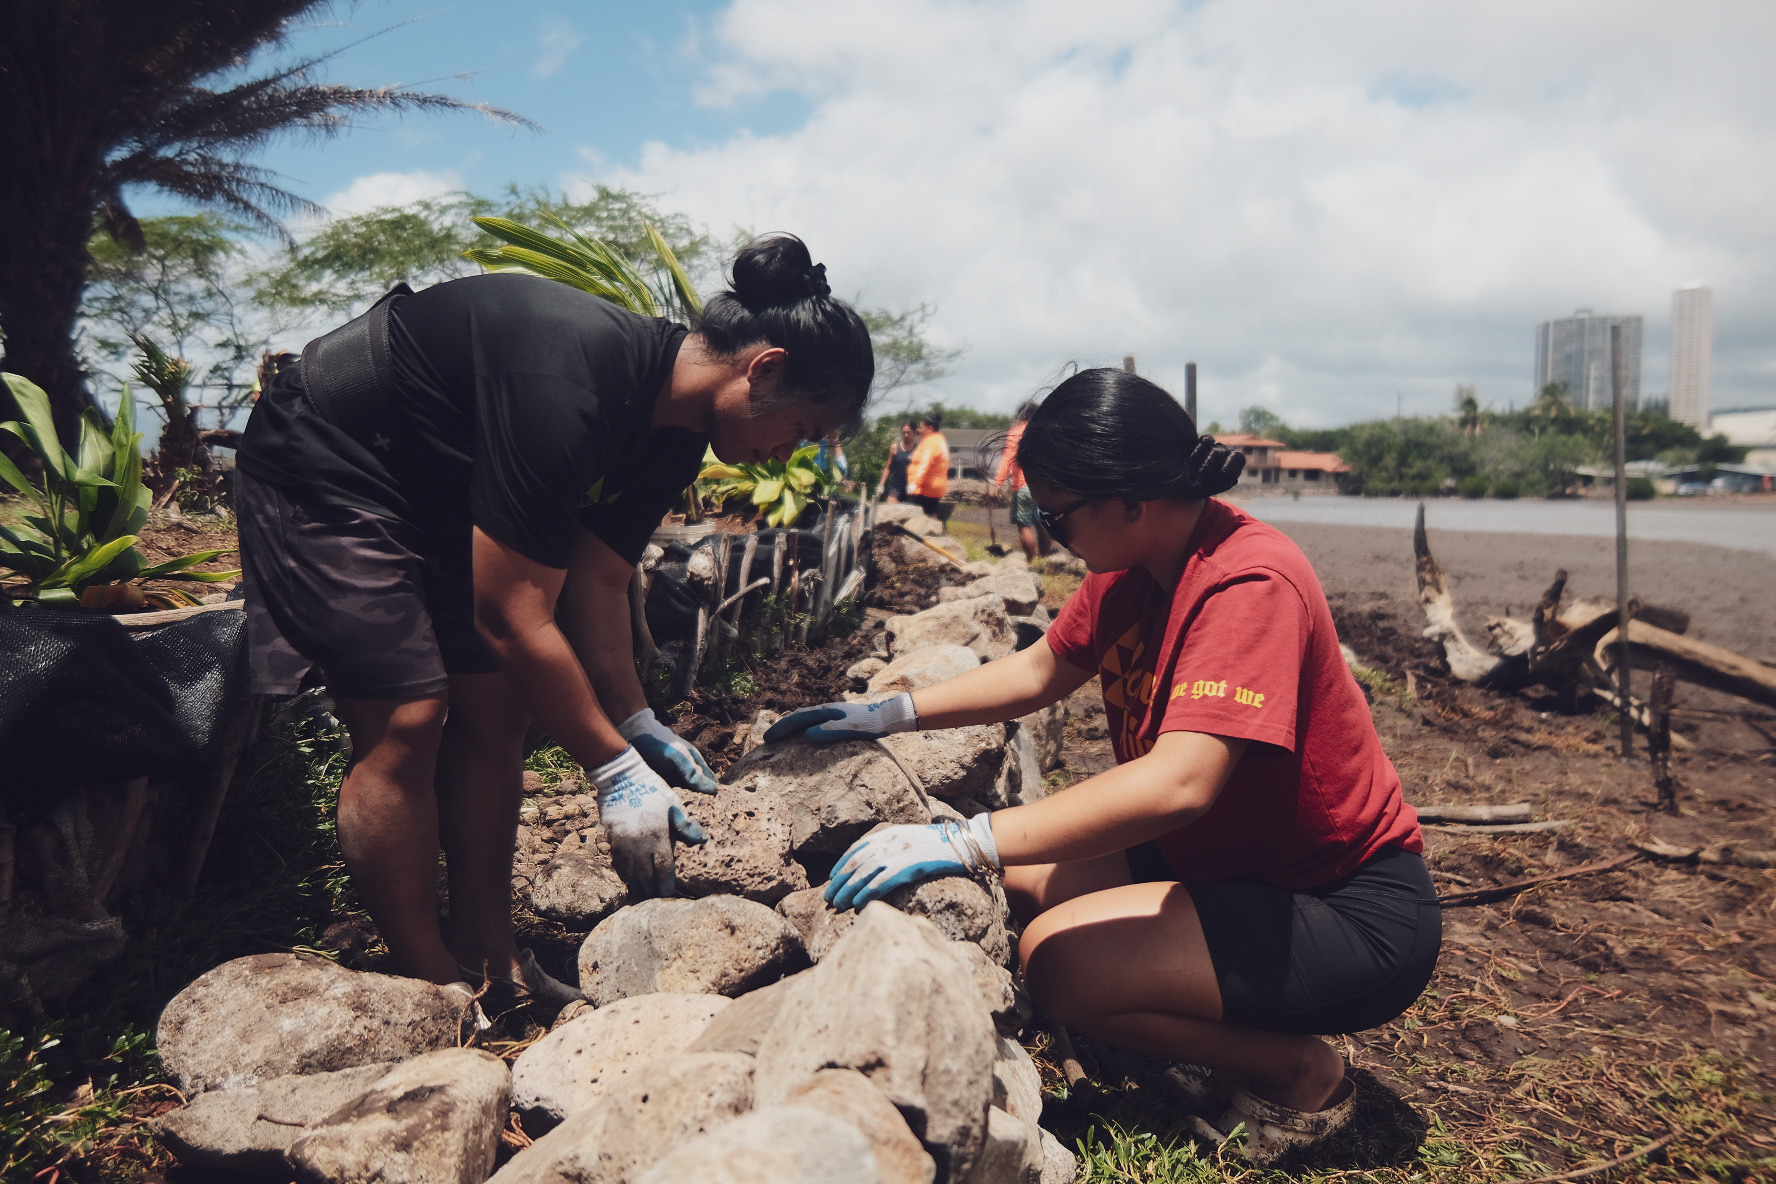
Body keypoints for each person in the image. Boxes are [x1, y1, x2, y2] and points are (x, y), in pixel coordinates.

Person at [766, 369, 1438, 1165]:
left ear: (1130, 499)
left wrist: (971, 835)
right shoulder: (1132, 570)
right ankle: (1210, 1014)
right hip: (1232, 859)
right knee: (1018, 884)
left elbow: (1181, 783)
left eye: (1056, 514)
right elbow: (1040, 672)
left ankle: (1301, 1069)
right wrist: (895, 712)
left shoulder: (1247, 579)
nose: (1050, 532)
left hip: (1342, 903)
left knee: (1062, 965)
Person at [234, 235, 873, 1007]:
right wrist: (612, 769)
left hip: (438, 486)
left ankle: (489, 956)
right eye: (801, 431)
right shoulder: (567, 377)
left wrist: (637, 721)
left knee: (498, 710)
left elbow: (600, 580)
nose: (785, 455)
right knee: (408, 716)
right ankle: (429, 985)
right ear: (763, 369)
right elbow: (511, 616)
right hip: (330, 460)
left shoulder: (676, 435)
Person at [991, 399, 1041, 561]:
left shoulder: (1016, 432)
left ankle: (1031, 560)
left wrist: (997, 484)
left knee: (1024, 525)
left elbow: (1008, 459)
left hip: (1023, 485)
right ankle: (1045, 556)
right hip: (1042, 485)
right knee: (1042, 524)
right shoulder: (1042, 431)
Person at [904, 410, 950, 516]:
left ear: (930, 428)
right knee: (930, 514)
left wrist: (914, 483)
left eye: (922, 427)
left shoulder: (931, 442)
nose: (919, 430)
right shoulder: (938, 439)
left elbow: (924, 465)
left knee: (911, 516)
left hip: (925, 488)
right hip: (933, 486)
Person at [877, 421, 916, 502]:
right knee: (890, 510)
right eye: (904, 432)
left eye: (908, 432)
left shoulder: (918, 449)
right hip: (896, 487)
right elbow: (888, 467)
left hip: (911, 488)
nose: (906, 435)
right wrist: (881, 485)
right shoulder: (895, 447)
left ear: (914, 432)